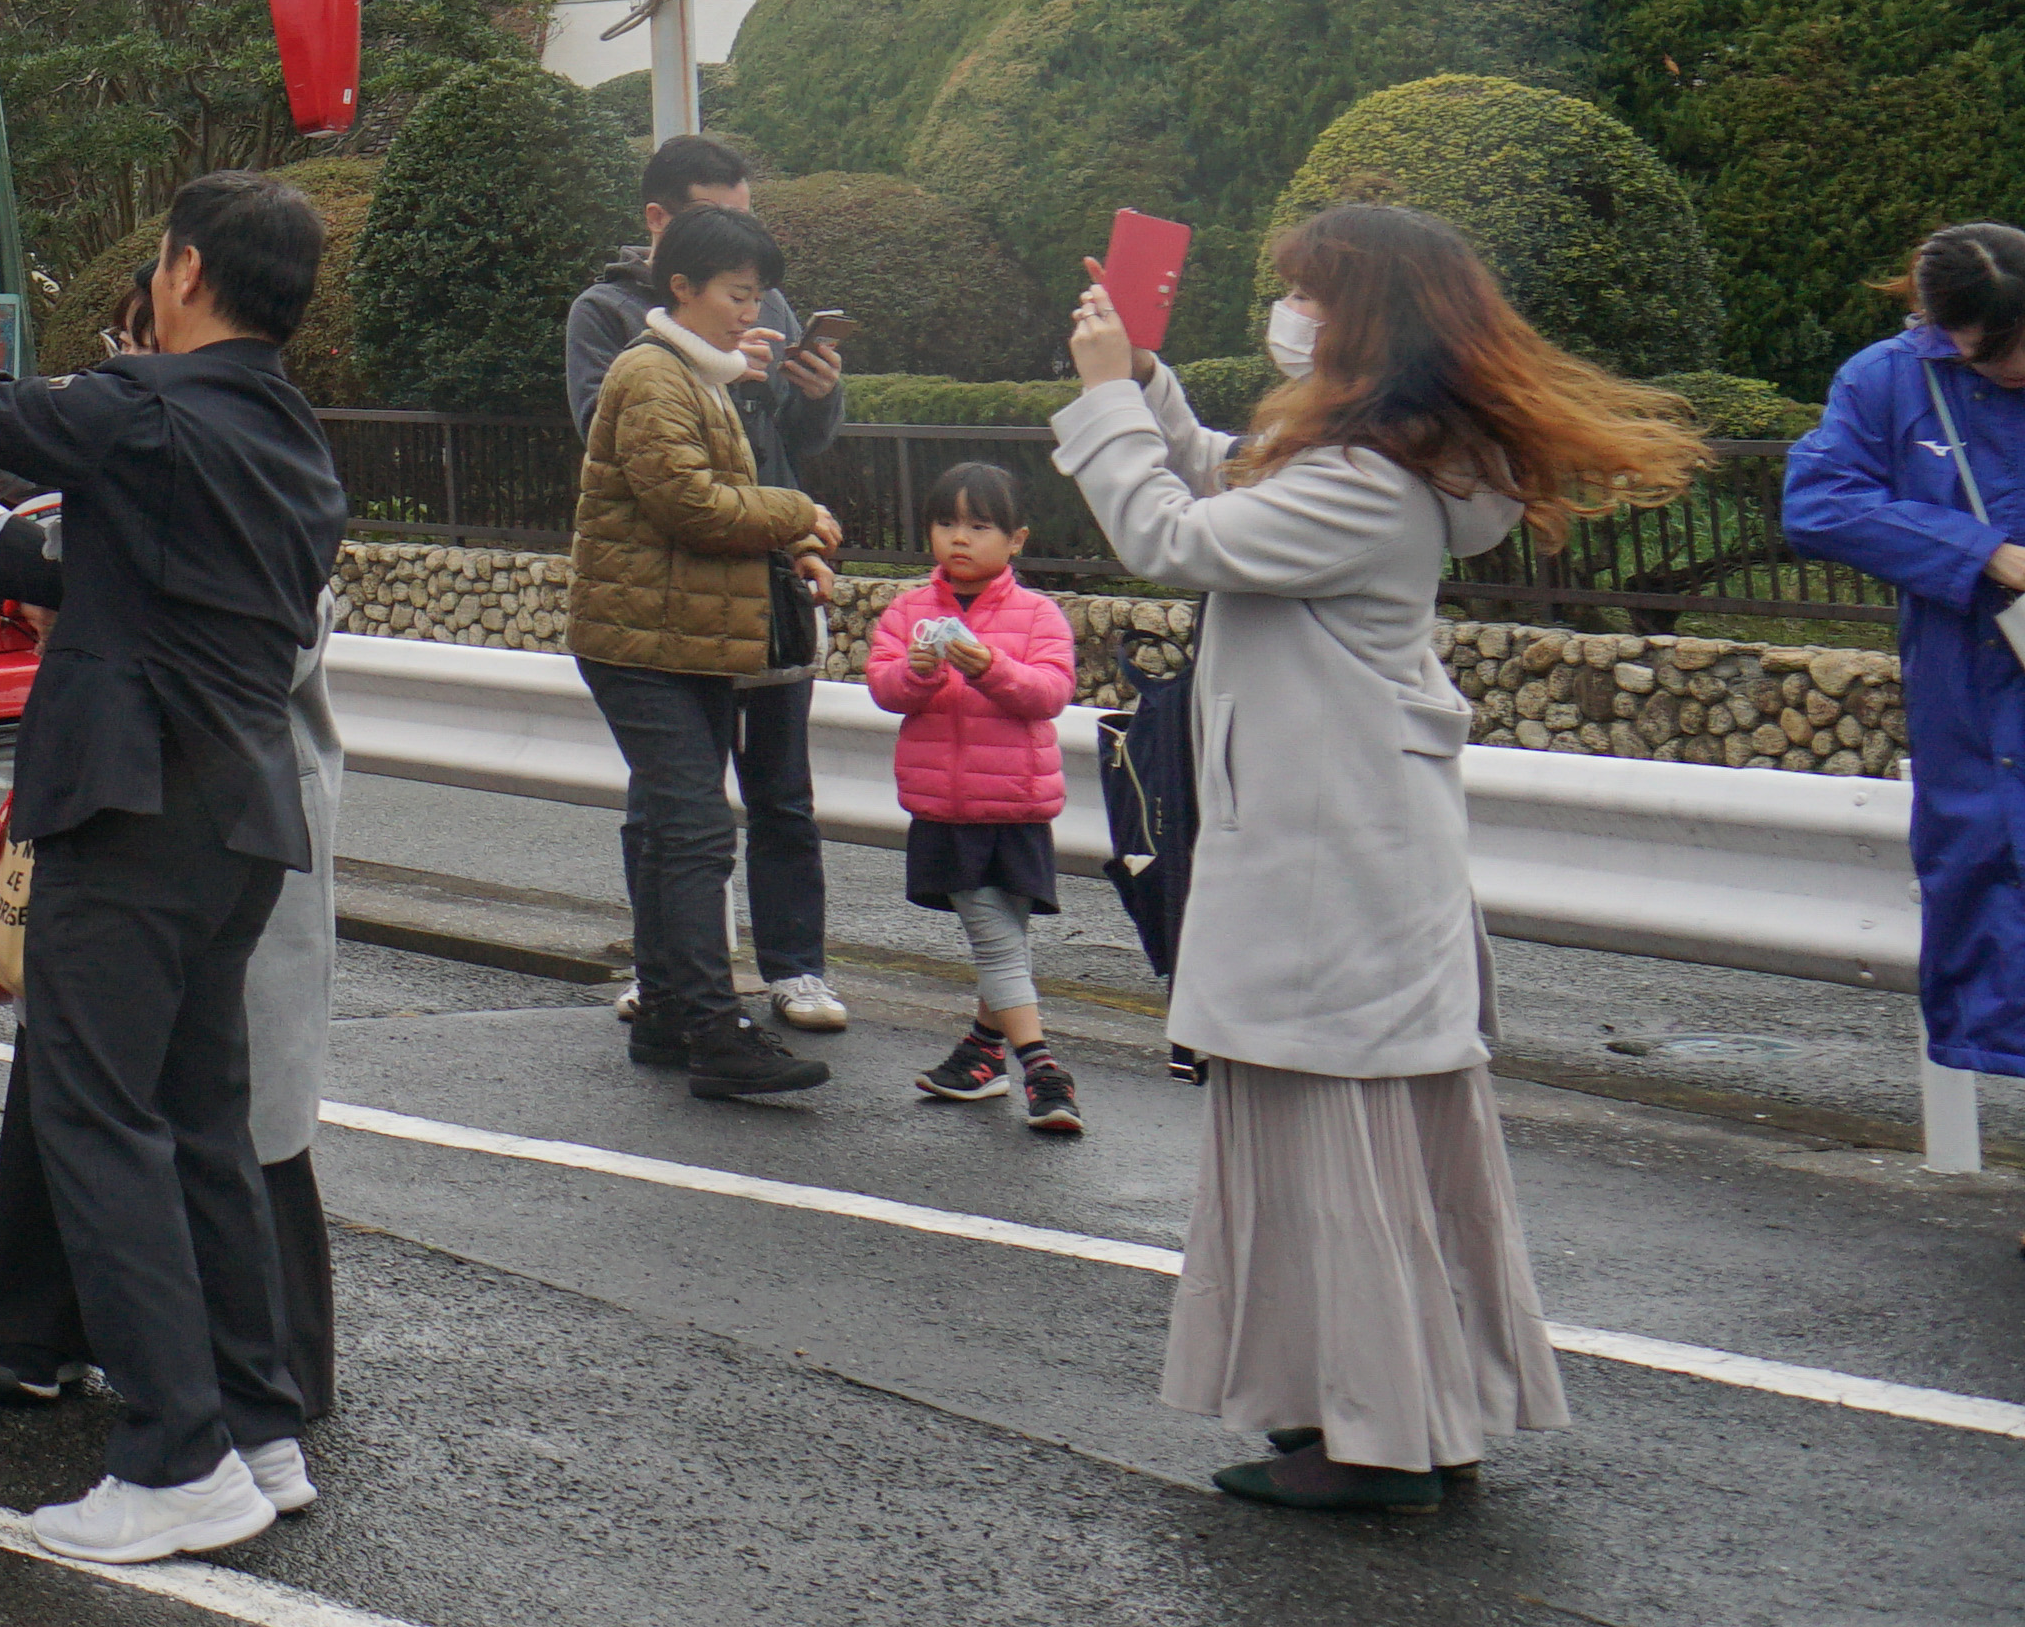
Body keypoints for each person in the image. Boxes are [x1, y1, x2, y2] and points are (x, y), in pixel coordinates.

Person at [1057, 201, 1699, 1509]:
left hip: (1322, 864)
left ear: (1363, 322)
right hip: (1349, 847)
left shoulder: (1362, 482)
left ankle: (1375, 1438)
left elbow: (1175, 538)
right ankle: (1403, 1410)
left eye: (1308, 296)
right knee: (1377, 1149)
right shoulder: (1396, 460)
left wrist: (1109, 403)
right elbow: (1233, 476)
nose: (1289, 317)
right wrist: (1145, 386)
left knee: (1327, 1140)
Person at [0, 169, 345, 1566]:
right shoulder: (290, 441)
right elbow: (147, 577)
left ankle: (174, 1458)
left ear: (184, 272)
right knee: (202, 1122)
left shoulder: (151, 409)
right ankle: (258, 1429)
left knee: (95, 1115)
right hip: (240, 824)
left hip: (129, 816)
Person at [0, 448, 351, 1438]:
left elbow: (168, 614)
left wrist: (21, 556)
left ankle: (195, 1387)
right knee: (139, 1077)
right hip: (184, 809)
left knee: (170, 1084)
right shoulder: (238, 466)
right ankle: (225, 1382)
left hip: (197, 807)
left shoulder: (227, 477)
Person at [567, 134, 858, 1032]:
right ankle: (676, 983)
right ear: (664, 230)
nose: (752, 291)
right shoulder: (615, 319)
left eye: (748, 224)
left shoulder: (759, 299)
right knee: (676, 805)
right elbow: (636, 456)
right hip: (672, 599)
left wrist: (814, 392)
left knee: (777, 787)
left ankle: (791, 967)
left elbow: (795, 450)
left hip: (760, 578)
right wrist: (732, 387)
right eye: (719, 226)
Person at [1776, 223, 2025, 1229]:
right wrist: (1984, 554)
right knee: (1992, 887)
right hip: (1974, 688)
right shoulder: (1887, 381)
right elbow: (1818, 500)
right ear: (1942, 329)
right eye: (1997, 349)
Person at [863, 461, 1085, 1132]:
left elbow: (1049, 694)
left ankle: (982, 1054)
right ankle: (1044, 1070)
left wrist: (990, 666)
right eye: (946, 522)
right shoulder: (909, 611)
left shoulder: (1038, 614)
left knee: (1005, 942)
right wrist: (919, 671)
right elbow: (884, 687)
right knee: (996, 943)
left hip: (1017, 805)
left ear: (1015, 539)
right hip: (947, 808)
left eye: (979, 526)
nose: (960, 538)